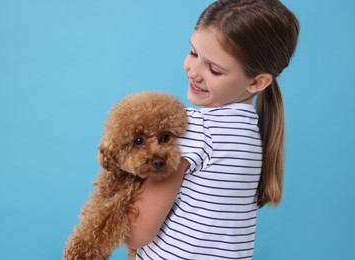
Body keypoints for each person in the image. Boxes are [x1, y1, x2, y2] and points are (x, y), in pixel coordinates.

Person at [125, 0, 299, 259]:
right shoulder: (251, 132)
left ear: (257, 82)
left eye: (214, 70)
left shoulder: (196, 129)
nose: (194, 72)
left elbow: (137, 234)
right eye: (194, 53)